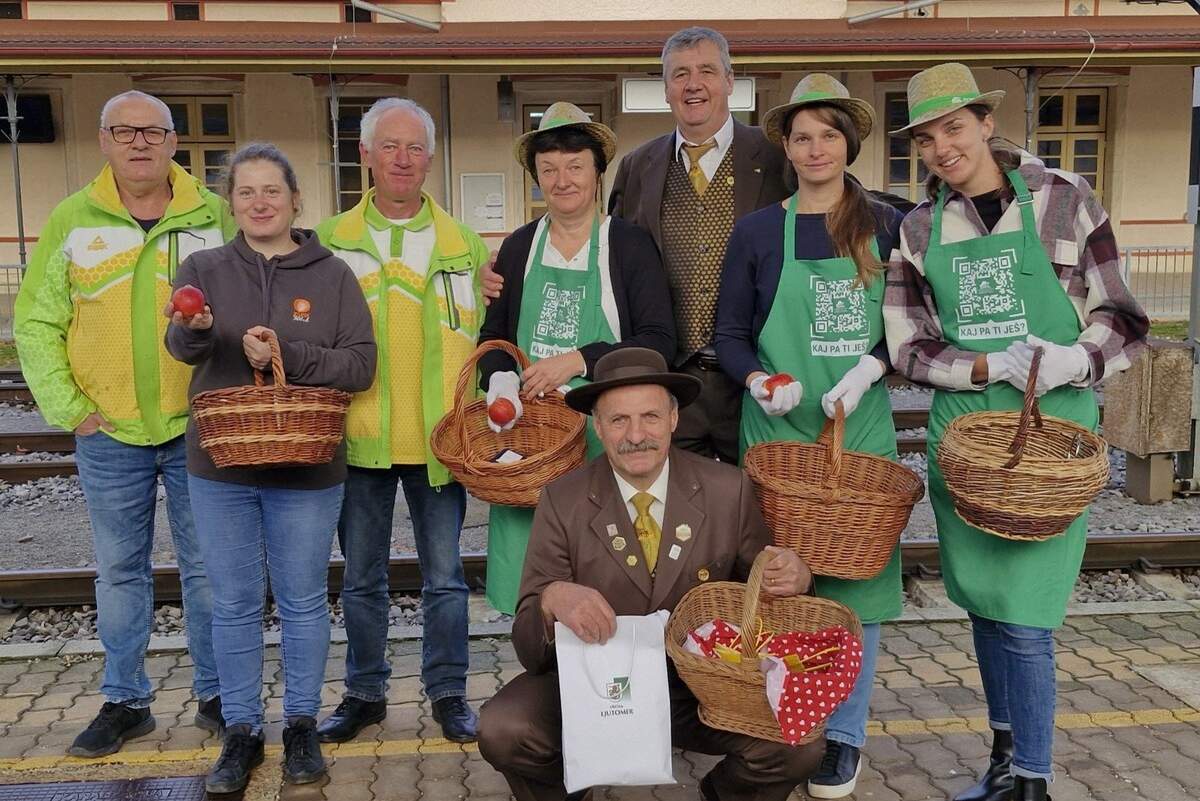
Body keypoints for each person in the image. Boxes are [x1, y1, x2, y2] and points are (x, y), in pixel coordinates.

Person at [883, 63, 1148, 801]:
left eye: (954, 129)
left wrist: (1076, 359)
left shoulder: (1064, 199)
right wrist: (980, 366)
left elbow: (1122, 316)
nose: (942, 149)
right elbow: (908, 344)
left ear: (986, 123)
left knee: (1027, 613)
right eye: (927, 138)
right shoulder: (918, 227)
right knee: (983, 597)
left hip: (1052, 440)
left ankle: (1032, 777)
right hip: (966, 438)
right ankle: (1004, 762)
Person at [478, 346, 823, 801]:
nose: (635, 435)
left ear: (674, 419)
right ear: (598, 427)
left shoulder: (728, 490)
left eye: (650, 417)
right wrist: (549, 601)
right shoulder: (562, 499)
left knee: (800, 742)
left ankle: (721, 794)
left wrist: (796, 576)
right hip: (594, 681)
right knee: (505, 728)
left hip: (698, 686)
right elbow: (529, 649)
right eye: (618, 420)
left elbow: (770, 599)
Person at [13, 89, 234, 757]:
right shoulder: (72, 220)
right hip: (109, 431)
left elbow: (253, 303)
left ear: (173, 142)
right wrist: (70, 409)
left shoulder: (212, 215)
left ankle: (217, 693)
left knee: (209, 569)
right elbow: (35, 321)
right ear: (105, 142)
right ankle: (126, 699)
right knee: (118, 570)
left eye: (152, 131)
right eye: (124, 131)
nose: (139, 142)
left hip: (197, 428)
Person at [164, 143, 376, 792]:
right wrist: (199, 327)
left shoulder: (332, 274)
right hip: (220, 463)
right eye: (247, 192)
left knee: (305, 600)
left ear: (295, 200)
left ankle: (303, 725)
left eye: (272, 191)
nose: (260, 202)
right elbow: (180, 344)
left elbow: (361, 364)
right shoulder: (201, 265)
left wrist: (290, 352)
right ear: (232, 203)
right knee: (231, 602)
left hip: (309, 465)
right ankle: (241, 730)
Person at [715, 73, 904, 800]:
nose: (816, 147)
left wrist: (870, 365)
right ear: (786, 148)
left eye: (829, 134)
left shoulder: (886, 224)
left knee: (856, 584)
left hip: (859, 431)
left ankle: (844, 737)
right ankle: (787, 719)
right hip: (777, 431)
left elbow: (910, 326)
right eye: (802, 136)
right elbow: (730, 334)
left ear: (848, 144)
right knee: (783, 581)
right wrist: (759, 378)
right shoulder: (759, 231)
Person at [314, 97, 489, 745]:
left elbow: (477, 332)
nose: (403, 159)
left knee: (445, 578)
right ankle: (364, 692)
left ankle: (448, 692)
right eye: (389, 145)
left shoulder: (462, 244)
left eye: (415, 147)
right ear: (364, 154)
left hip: (440, 442)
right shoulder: (330, 240)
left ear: (431, 158)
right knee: (361, 578)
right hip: (357, 440)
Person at [476, 101, 676, 614]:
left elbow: (659, 339)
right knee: (537, 589)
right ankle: (544, 674)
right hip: (531, 443)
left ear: (596, 171)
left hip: (606, 441)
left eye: (574, 166)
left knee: (610, 576)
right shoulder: (518, 248)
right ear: (537, 179)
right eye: (549, 170)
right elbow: (492, 337)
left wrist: (577, 360)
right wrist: (499, 383)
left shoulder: (628, 245)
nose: (562, 180)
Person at [604, 26, 789, 463]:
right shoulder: (636, 167)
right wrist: (508, 272)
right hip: (673, 382)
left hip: (755, 376)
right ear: (666, 88)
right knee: (683, 518)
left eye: (707, 70)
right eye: (680, 74)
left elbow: (841, 211)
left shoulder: (779, 158)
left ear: (729, 80)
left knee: (757, 513)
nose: (693, 84)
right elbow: (606, 258)